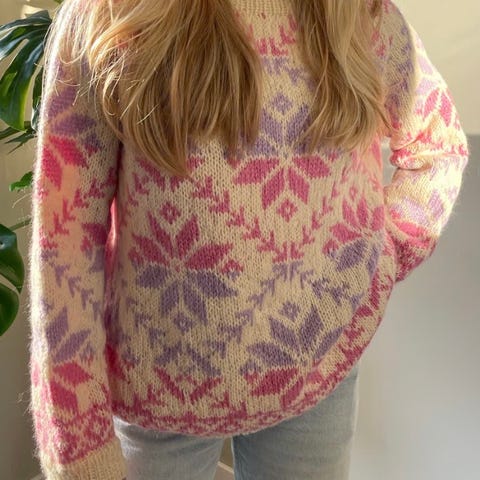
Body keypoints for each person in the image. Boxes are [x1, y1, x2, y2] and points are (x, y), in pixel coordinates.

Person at [27, 0, 470, 479]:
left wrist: (383, 259)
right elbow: (65, 241)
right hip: (156, 391)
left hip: (317, 380)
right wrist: (78, 442)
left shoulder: (359, 16)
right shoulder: (112, 14)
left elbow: (438, 147)